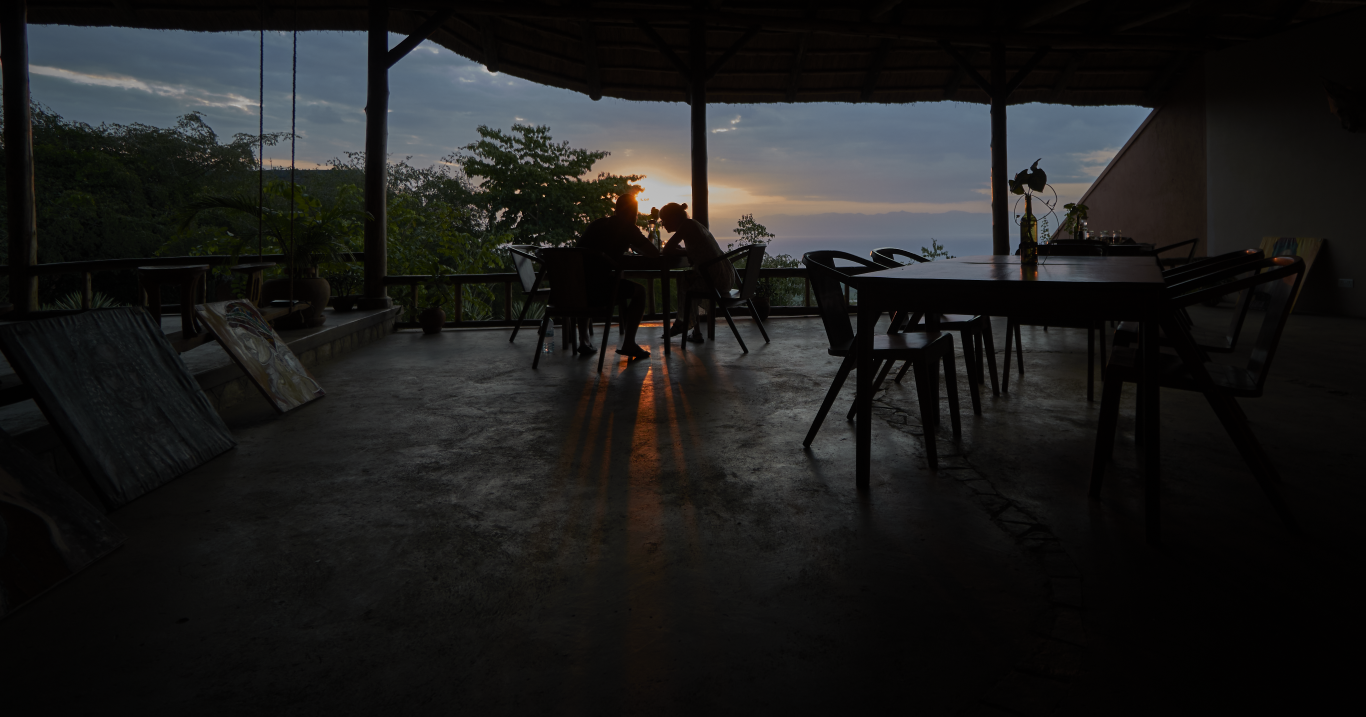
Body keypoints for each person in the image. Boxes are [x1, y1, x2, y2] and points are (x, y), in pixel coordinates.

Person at [575, 192, 657, 359]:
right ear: (634, 213)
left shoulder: (597, 224)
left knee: (587, 279)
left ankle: (583, 339)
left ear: (616, 209)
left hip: (573, 288)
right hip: (598, 292)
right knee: (639, 292)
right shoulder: (627, 227)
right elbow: (653, 253)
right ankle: (629, 343)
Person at [659, 203, 733, 343]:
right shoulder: (693, 225)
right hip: (724, 277)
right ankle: (694, 331)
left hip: (715, 280)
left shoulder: (687, 226)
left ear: (674, 217)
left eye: (664, 220)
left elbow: (666, 250)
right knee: (688, 278)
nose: (663, 224)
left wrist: (681, 251)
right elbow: (696, 251)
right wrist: (685, 251)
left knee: (684, 279)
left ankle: (682, 322)